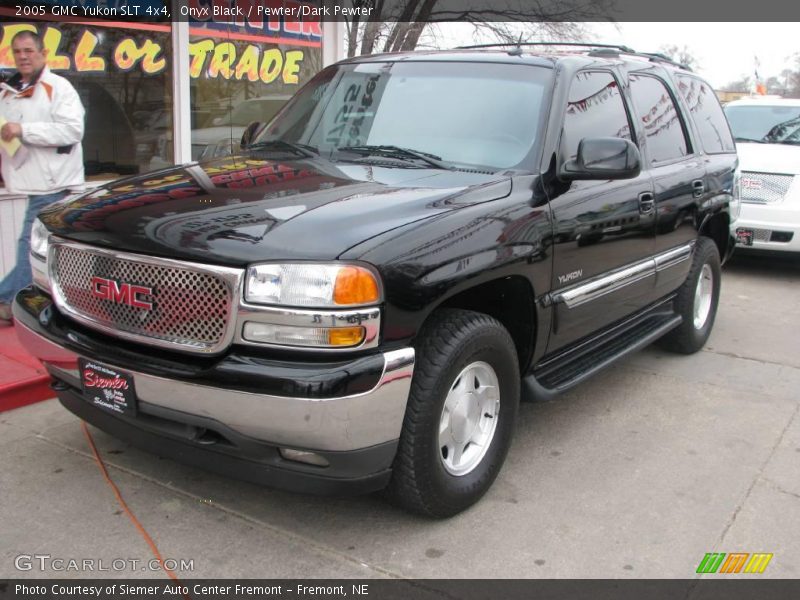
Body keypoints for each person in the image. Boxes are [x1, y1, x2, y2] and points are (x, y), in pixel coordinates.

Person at [0, 30, 84, 322]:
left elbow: (72, 130)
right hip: (26, 178)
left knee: (28, 241)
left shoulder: (58, 88)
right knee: (40, 245)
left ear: (42, 53)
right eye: (17, 51)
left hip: (53, 181)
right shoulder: (9, 91)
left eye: (28, 50)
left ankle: (9, 299)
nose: (23, 56)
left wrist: (23, 130)